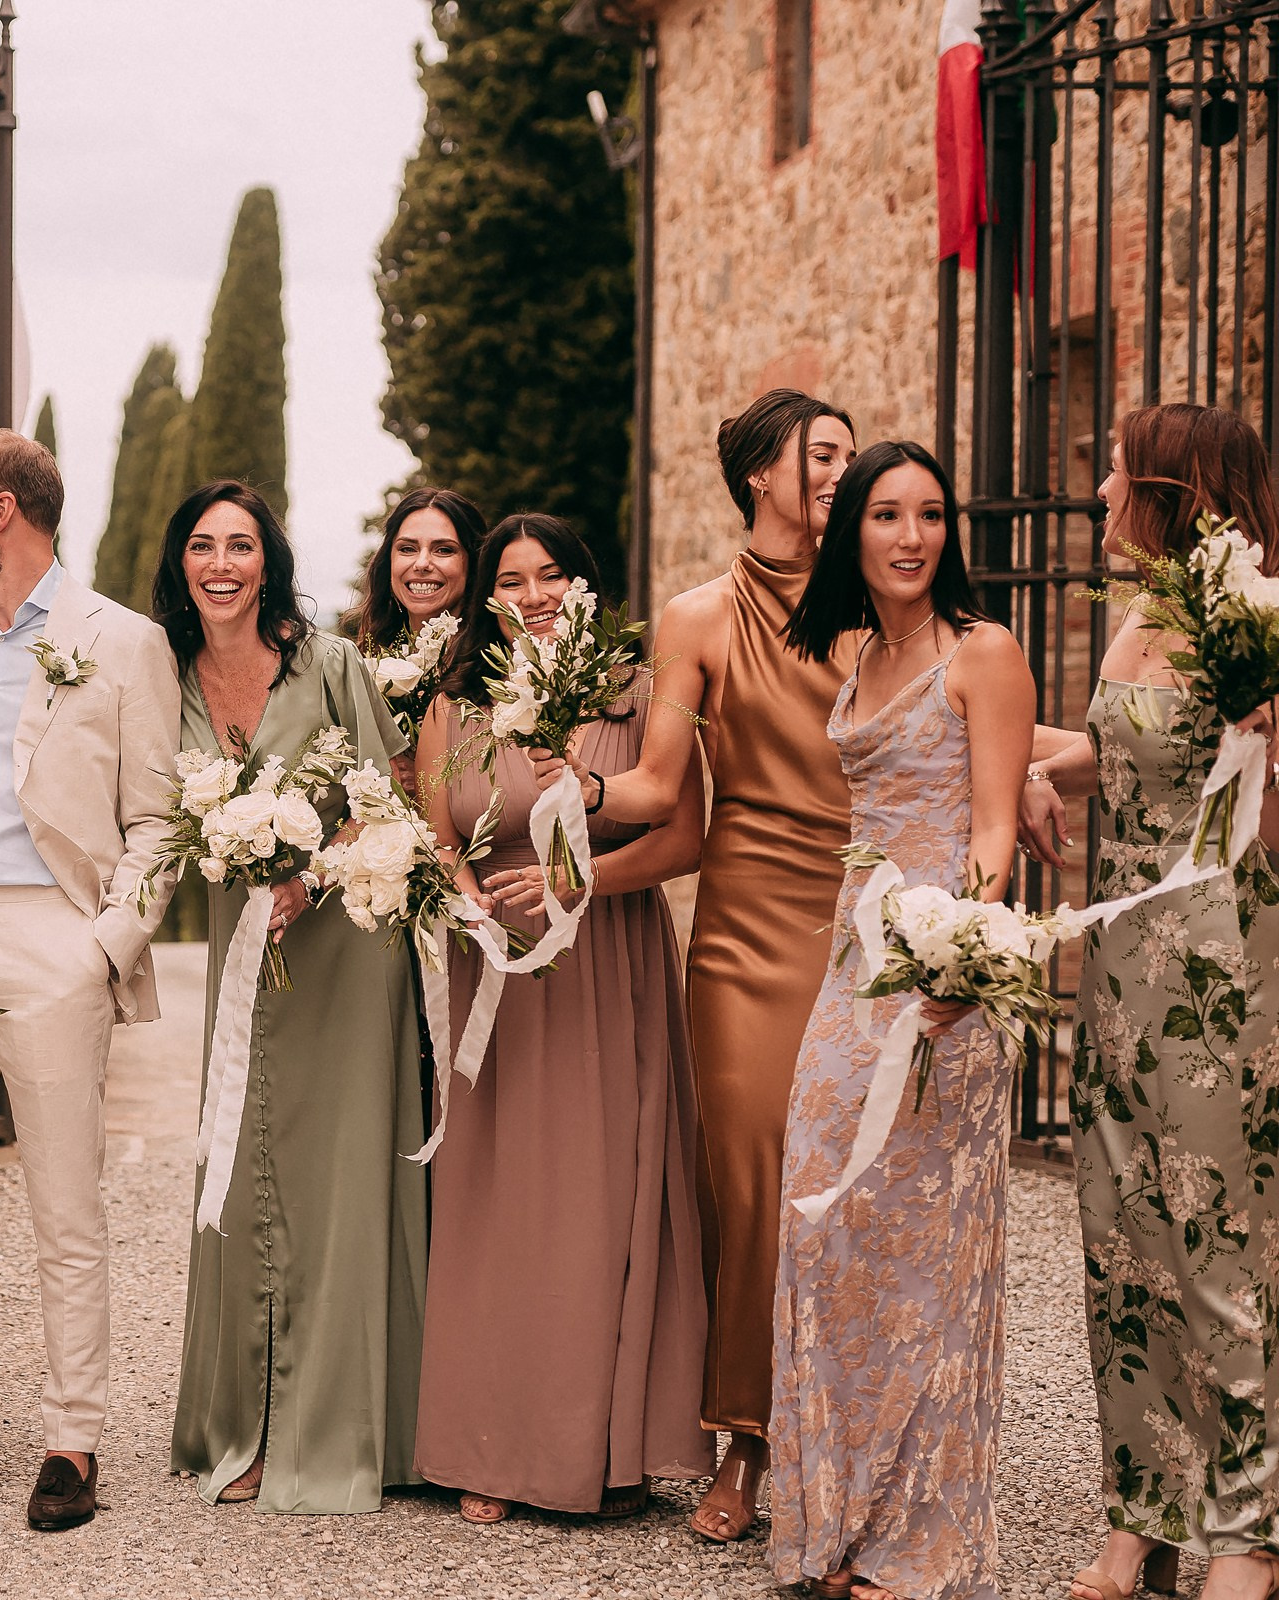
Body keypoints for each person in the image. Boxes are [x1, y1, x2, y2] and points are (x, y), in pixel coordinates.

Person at [559, 388, 859, 1540]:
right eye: (818, 455)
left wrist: (1031, 769)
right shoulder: (694, 616)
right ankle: (741, 1442)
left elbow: (952, 716)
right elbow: (656, 787)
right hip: (744, 931)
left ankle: (841, 1434)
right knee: (747, 1174)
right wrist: (571, 793)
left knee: (848, 1179)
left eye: (844, 452)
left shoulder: (879, 601)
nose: (839, 471)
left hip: (865, 917)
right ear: (759, 477)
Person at [0, 429, 180, 1533]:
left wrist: (101, 946)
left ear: (3, 512)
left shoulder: (122, 641)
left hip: (50, 938)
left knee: (65, 1204)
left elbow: (158, 817)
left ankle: (72, 1436)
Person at [764, 440, 1032, 1600]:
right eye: (886, 515)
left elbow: (993, 829)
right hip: (849, 966)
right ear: (852, 535)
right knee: (821, 1217)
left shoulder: (984, 653)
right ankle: (835, 1519)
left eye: (929, 515)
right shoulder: (857, 653)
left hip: (945, 984)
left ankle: (915, 1544)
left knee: (924, 1251)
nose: (911, 536)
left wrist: (960, 958)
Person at [1021, 404, 1279, 1600]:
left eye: (1117, 473)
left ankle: (1246, 1526)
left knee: (1220, 1242)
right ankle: (1143, 1510)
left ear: (1174, 493)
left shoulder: (1258, 624)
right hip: (1119, 969)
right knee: (1121, 1238)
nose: (1099, 491)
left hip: (1224, 972)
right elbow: (1113, 752)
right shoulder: (1137, 618)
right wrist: (1014, 765)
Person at [411, 513, 712, 1524]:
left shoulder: (635, 693)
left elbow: (684, 836)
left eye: (552, 576)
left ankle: (605, 1447)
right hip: (492, 969)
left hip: (604, 962)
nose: (533, 595)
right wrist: (465, 896)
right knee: (497, 1206)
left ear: (584, 585)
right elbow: (433, 827)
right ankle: (490, 1447)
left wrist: (575, 884)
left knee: (596, 1201)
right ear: (489, 598)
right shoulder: (460, 700)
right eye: (512, 580)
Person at [160, 480, 428, 1515]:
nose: (221, 563)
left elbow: (386, 798)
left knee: (338, 1172)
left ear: (268, 561)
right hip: (245, 945)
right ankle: (252, 1420)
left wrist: (306, 877)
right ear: (181, 565)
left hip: (346, 943)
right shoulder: (166, 671)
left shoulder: (331, 664)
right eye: (202, 547)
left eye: (240, 545)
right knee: (248, 1152)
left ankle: (349, 1424)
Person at [356, 486, 488, 777]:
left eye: (444, 550)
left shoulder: (495, 668)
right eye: (407, 549)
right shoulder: (361, 662)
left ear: (473, 562)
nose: (422, 563)